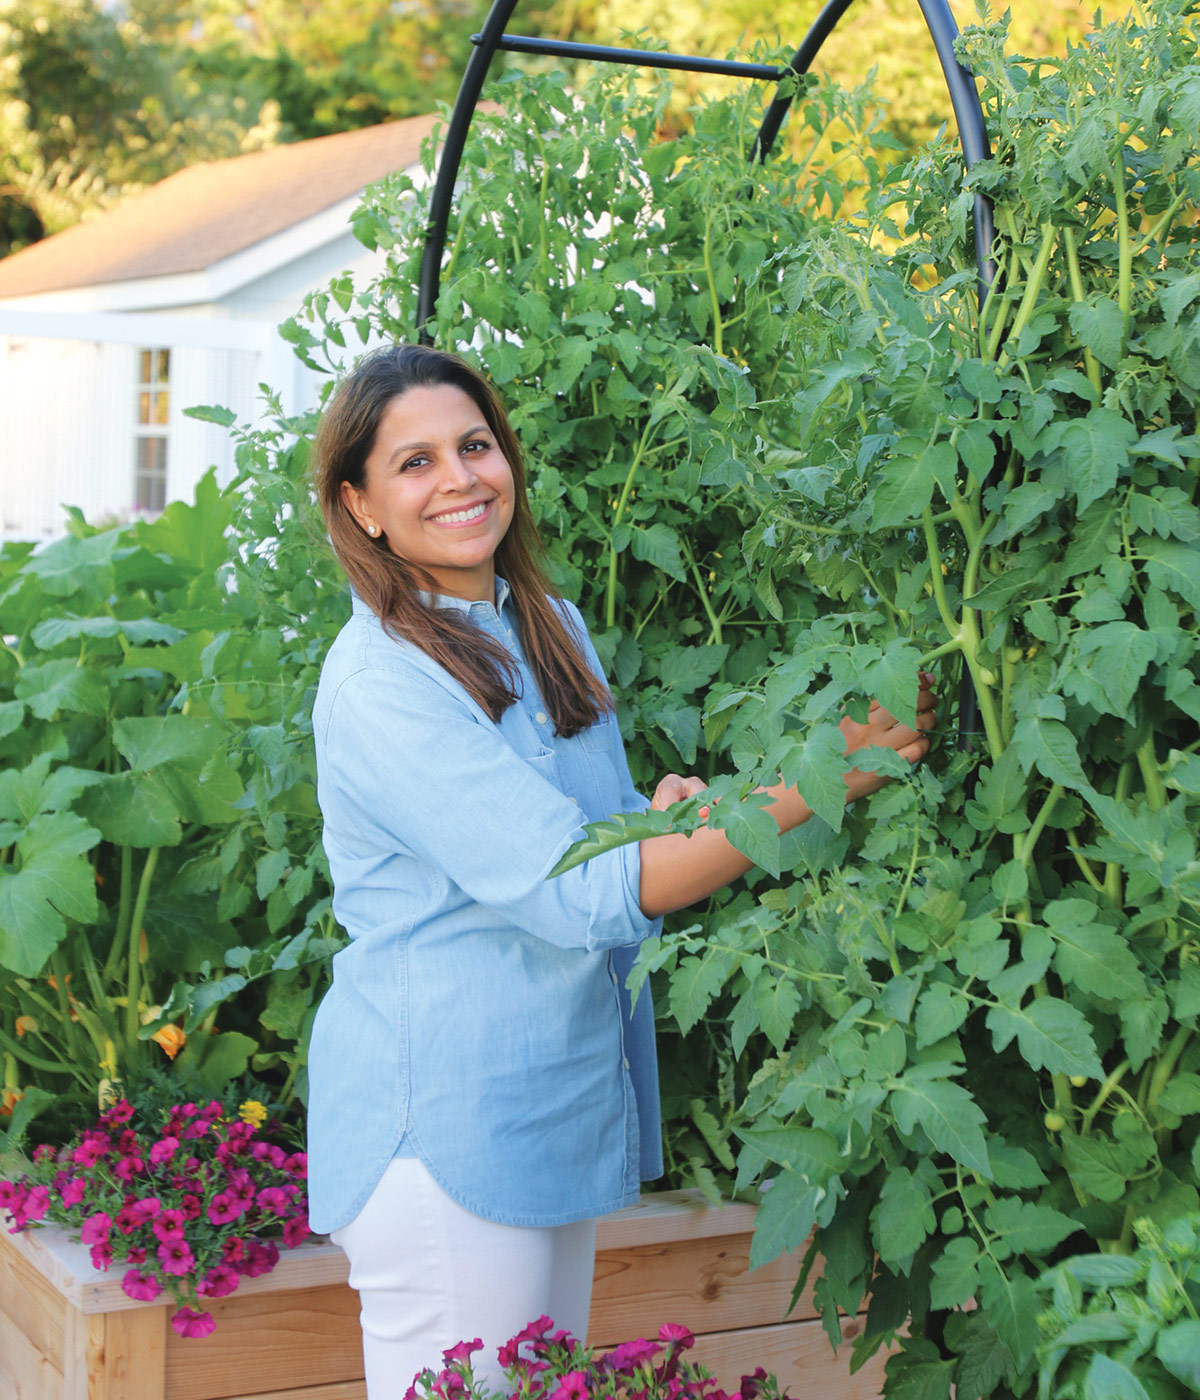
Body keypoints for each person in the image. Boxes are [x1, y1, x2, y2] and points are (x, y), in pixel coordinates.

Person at [306, 343, 936, 1399]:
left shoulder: (544, 624)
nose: (460, 478)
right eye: (414, 463)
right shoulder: (384, 683)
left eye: (474, 445)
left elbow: (583, 836)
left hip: (547, 1102)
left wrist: (661, 817)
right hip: (451, 1126)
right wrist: (829, 773)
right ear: (359, 505)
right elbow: (582, 886)